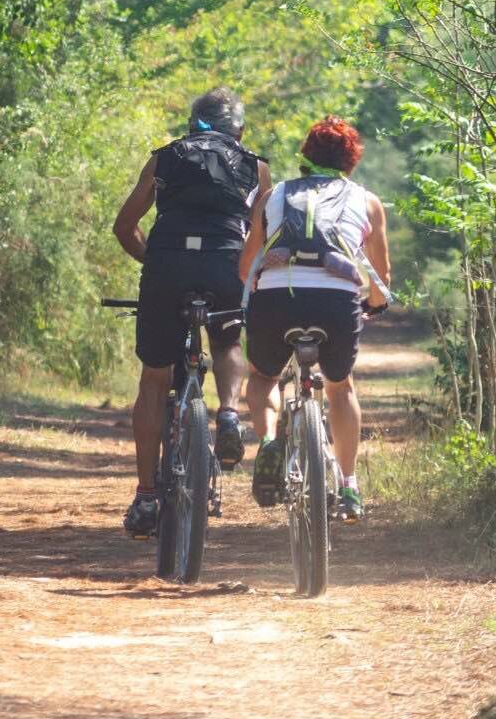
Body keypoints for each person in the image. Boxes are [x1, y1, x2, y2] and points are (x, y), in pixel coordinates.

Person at [111, 88, 271, 538]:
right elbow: (265, 233)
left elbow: (124, 227)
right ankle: (228, 417)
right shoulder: (255, 166)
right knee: (226, 341)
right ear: (238, 129)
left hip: (168, 263)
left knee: (154, 377)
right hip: (226, 264)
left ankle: (145, 496)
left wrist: (155, 263)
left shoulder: (164, 158)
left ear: (192, 122)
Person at [241, 117, 391, 522]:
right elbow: (380, 278)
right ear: (351, 161)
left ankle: (269, 442)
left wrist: (261, 291)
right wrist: (373, 305)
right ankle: (348, 486)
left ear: (306, 155)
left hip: (277, 297)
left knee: (262, 376)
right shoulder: (368, 201)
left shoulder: (273, 196)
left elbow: (245, 266)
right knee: (340, 388)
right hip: (335, 302)